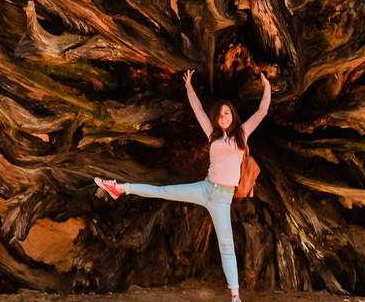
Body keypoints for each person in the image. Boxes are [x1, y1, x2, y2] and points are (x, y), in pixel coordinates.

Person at [94, 69, 272, 302]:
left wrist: (267, 87)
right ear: (217, 119)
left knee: (226, 246)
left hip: (222, 199)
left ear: (233, 115)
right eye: (220, 115)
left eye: (227, 113)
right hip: (205, 189)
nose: (224, 117)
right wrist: (188, 86)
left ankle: (235, 296)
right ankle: (119, 188)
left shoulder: (242, 135)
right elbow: (197, 110)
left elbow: (262, 110)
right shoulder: (212, 135)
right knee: (163, 191)